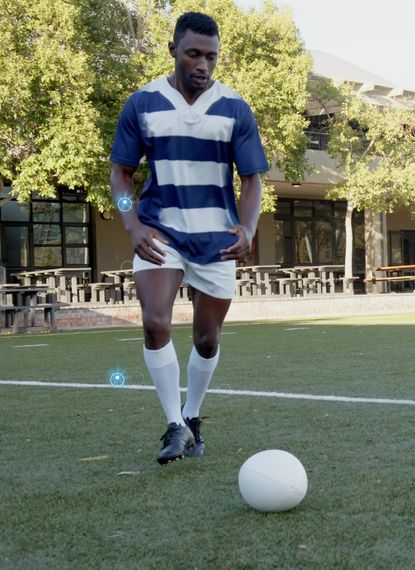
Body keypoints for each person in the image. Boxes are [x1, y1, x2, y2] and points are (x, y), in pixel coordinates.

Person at [109, 12, 268, 465]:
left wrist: (248, 227)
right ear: (173, 51)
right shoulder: (142, 103)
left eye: (211, 56)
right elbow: (121, 176)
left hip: (217, 241)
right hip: (160, 232)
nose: (203, 64)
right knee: (154, 320)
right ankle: (174, 425)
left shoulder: (234, 108)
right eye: (193, 54)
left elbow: (252, 179)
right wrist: (132, 225)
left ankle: (192, 415)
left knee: (206, 338)